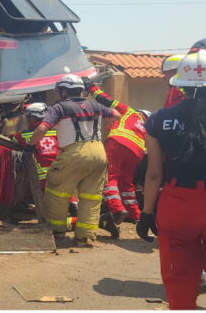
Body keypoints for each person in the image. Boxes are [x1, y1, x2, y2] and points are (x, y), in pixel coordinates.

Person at [137, 51, 206, 310]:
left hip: (176, 206)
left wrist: (146, 213)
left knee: (179, 289)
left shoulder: (158, 120)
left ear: (180, 85)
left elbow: (154, 174)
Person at [28, 75, 120, 247]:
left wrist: (30, 144)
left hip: (74, 152)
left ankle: (56, 234)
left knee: (57, 193)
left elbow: (42, 127)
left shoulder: (59, 108)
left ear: (64, 91)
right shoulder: (95, 105)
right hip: (99, 153)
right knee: (91, 198)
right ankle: (85, 238)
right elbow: (116, 114)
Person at [84, 80, 152, 237]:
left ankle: (117, 209)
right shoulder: (147, 126)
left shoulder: (129, 112)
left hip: (118, 142)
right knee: (126, 182)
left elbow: (107, 100)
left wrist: (91, 88)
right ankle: (134, 214)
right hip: (137, 151)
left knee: (110, 177)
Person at [11, 103, 78, 230]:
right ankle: (74, 203)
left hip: (43, 180)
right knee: (65, 194)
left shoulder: (23, 136)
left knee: (50, 218)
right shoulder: (56, 131)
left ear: (32, 118)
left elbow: (10, 142)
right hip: (64, 173)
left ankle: (78, 222)